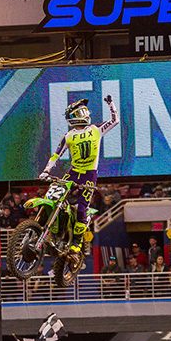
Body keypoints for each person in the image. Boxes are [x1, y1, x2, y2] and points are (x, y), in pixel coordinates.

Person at [39, 96, 118, 253]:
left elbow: (114, 120)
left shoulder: (95, 129)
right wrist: (46, 170)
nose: (85, 113)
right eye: (82, 111)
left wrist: (111, 104)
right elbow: (56, 155)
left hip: (89, 175)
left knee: (82, 208)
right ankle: (52, 233)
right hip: (73, 172)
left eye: (84, 110)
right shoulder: (69, 136)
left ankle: (77, 240)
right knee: (53, 197)